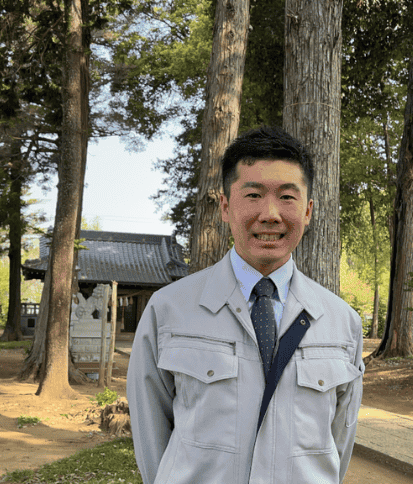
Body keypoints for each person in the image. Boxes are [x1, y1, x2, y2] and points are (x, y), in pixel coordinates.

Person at [127, 126, 365, 484]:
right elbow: (151, 436)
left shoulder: (341, 322)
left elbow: (338, 444)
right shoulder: (169, 310)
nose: (270, 214)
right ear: (225, 206)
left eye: (287, 197)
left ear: (308, 210)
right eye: (253, 195)